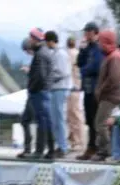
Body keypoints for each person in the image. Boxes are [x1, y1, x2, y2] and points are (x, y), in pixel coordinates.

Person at [93, 30, 120, 161]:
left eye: (100, 42)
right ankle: (105, 150)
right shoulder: (112, 56)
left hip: (110, 97)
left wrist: (101, 89)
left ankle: (106, 151)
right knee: (103, 124)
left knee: (100, 124)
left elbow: (115, 79)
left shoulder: (115, 57)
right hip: (108, 96)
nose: (99, 45)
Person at [26, 27, 54, 160]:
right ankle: (50, 151)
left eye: (31, 38)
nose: (29, 40)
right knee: (46, 121)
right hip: (44, 91)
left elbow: (41, 76)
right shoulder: (45, 52)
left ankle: (39, 150)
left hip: (40, 92)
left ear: (35, 39)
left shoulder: (41, 54)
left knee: (42, 122)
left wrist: (32, 88)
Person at [77, 22, 103, 160]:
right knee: (89, 119)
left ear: (94, 32)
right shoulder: (88, 47)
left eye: (87, 32)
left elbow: (95, 67)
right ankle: (91, 146)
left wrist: (83, 71)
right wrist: (82, 49)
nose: (85, 34)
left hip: (95, 88)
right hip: (87, 88)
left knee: (95, 120)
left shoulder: (99, 48)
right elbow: (80, 62)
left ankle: (97, 147)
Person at [45, 31, 72, 159]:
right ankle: (59, 144)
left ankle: (63, 146)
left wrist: (49, 77)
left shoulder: (60, 54)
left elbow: (63, 72)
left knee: (59, 118)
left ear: (50, 41)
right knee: (55, 118)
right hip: (55, 88)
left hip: (59, 88)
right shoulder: (55, 53)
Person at [17, 38, 43, 159]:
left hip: (35, 94)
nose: (27, 53)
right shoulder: (36, 57)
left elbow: (38, 76)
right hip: (32, 94)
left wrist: (29, 72)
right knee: (25, 120)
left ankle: (35, 149)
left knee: (34, 121)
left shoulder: (38, 57)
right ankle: (28, 148)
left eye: (26, 51)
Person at [66, 36, 84, 152]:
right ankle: (74, 140)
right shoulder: (77, 54)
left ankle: (77, 141)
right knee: (73, 115)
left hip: (72, 87)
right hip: (76, 87)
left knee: (74, 115)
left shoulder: (69, 54)